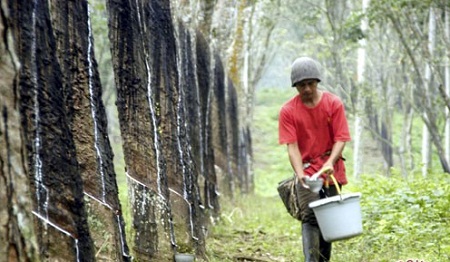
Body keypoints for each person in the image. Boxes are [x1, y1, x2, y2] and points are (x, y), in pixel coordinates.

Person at [278, 57, 351, 262]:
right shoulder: (288, 111)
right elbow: (291, 146)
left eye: (311, 84)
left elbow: (341, 138)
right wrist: (300, 173)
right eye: (302, 85)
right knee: (310, 216)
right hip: (308, 171)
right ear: (296, 87)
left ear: (317, 82)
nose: (307, 89)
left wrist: (330, 162)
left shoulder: (333, 104)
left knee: (328, 218)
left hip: (331, 168)